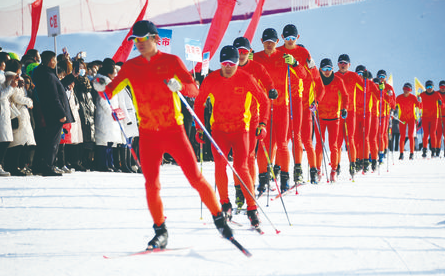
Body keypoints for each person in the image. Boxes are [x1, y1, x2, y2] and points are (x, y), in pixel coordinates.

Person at [93, 20, 233, 250]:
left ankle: (219, 218)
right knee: (151, 185)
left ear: (155, 38)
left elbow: (194, 89)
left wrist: (180, 86)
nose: (138, 44)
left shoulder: (171, 61)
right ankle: (161, 231)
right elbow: (111, 90)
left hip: (173, 131)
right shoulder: (130, 66)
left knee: (195, 178)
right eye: (135, 40)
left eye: (142, 39)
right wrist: (101, 85)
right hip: (148, 134)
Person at [195, 45, 270, 228]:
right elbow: (198, 103)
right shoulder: (211, 79)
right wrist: (199, 128)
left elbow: (264, 101)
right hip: (219, 131)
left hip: (240, 130)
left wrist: (262, 124)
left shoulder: (246, 78)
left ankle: (252, 209)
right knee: (220, 165)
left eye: (232, 63)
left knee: (241, 167)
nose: (228, 67)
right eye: (224, 63)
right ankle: (225, 204)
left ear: (238, 63)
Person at [254, 27, 303, 193]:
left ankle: (284, 178)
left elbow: (304, 75)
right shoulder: (257, 58)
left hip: (282, 106)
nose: (269, 44)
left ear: (277, 41)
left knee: (282, 144)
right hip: (263, 108)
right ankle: (263, 179)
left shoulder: (284, 57)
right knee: (264, 145)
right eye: (266, 41)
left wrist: (295, 63)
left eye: (272, 41)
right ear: (261, 41)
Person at [232, 36, 275, 207]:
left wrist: (272, 90)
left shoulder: (256, 67)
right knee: (237, 157)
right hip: (232, 118)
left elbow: (268, 81)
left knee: (248, 156)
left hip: (252, 118)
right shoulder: (228, 68)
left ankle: (248, 189)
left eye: (244, 52)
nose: (241, 55)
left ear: (249, 52)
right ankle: (238, 191)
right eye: (238, 52)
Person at [277, 24, 323, 184]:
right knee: (284, 137)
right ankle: (277, 169)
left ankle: (308, 170)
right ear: (282, 37)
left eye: (293, 38)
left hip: (301, 103)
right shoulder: (278, 51)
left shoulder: (304, 53)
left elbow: (316, 77)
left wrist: (315, 102)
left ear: (298, 37)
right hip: (284, 100)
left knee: (303, 138)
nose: (290, 41)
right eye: (287, 38)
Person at [32, 50, 74, 176]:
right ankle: (48, 167)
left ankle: (41, 166)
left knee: (49, 141)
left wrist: (72, 74)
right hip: (54, 114)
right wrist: (61, 113)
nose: (56, 62)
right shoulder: (48, 75)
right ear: (51, 61)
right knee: (53, 142)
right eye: (55, 60)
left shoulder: (45, 73)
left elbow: (59, 86)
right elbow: (53, 96)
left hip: (50, 112)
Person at [314, 58, 348, 183]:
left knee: (333, 145)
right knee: (319, 145)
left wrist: (344, 108)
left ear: (333, 69)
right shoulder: (317, 80)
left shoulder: (338, 80)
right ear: (320, 69)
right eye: (324, 69)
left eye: (329, 69)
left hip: (334, 117)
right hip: (320, 117)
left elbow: (345, 96)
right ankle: (318, 170)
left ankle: (334, 171)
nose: (327, 71)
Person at [4, 59, 36, 176]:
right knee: (17, 142)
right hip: (17, 113)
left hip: (20, 112)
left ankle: (17, 166)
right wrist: (29, 101)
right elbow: (16, 97)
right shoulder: (12, 80)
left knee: (20, 142)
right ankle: (13, 166)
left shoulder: (15, 80)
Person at [335, 54, 362, 178]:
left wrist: (367, 80)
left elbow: (365, 89)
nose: (343, 64)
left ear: (349, 65)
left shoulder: (354, 76)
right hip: (336, 112)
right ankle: (337, 165)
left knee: (350, 139)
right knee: (337, 141)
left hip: (351, 112)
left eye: (345, 63)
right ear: (337, 64)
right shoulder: (334, 76)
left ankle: (353, 163)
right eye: (341, 62)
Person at [354, 66, 379, 172]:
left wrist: (380, 89)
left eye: (361, 73)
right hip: (355, 113)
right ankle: (358, 161)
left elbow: (379, 97)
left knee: (367, 138)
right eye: (358, 73)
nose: (359, 75)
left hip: (367, 113)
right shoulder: (354, 83)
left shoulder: (369, 84)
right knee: (357, 139)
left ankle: (369, 161)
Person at [0, 59, 20, 176]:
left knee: (6, 140)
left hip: (5, 113)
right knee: (5, 140)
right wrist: (11, 87)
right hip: (2, 115)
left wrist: (12, 86)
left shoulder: (4, 82)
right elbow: (1, 96)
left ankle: (1, 165)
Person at [395, 83, 421, 160]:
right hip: (402, 119)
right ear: (403, 89)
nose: (406, 91)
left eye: (408, 89)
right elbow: (393, 105)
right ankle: (401, 153)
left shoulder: (413, 97)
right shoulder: (399, 97)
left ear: (410, 90)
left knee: (410, 136)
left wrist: (420, 101)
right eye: (405, 89)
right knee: (402, 136)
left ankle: (411, 153)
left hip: (411, 119)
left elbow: (419, 106)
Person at [418, 80, 442, 158]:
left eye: (431, 87)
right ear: (425, 87)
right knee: (425, 134)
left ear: (433, 87)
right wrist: (418, 101)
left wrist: (440, 102)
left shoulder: (437, 94)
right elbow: (418, 105)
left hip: (434, 117)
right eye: (428, 87)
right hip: (425, 117)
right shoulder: (422, 95)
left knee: (433, 133)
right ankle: (424, 150)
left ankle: (433, 150)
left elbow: (441, 105)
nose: (429, 88)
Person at [376, 70, 396, 164]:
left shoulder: (389, 87)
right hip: (375, 112)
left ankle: (383, 150)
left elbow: (393, 101)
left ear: (386, 78)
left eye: (383, 76)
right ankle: (376, 151)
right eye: (380, 76)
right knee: (376, 134)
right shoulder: (375, 85)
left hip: (385, 112)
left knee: (383, 133)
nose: (381, 78)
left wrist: (392, 109)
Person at [436, 80, 445, 157]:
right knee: (438, 134)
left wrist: (442, 104)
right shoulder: (436, 94)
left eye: (444, 87)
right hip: (438, 116)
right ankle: (438, 150)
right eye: (441, 87)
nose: (442, 88)